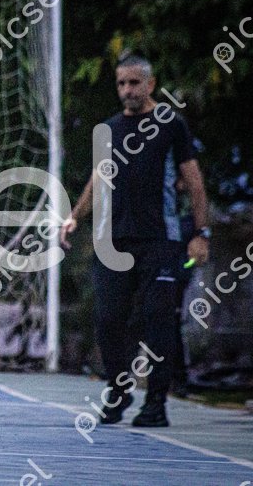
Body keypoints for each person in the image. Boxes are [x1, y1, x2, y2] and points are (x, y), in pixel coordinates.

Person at [60, 54, 210, 427]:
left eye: (134, 83)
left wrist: (200, 234)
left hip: (160, 240)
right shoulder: (109, 129)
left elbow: (194, 182)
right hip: (113, 240)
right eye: (121, 83)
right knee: (108, 319)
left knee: (158, 320)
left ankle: (156, 404)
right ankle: (118, 391)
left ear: (150, 84)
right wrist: (75, 216)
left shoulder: (171, 124)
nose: (127, 90)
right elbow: (98, 178)